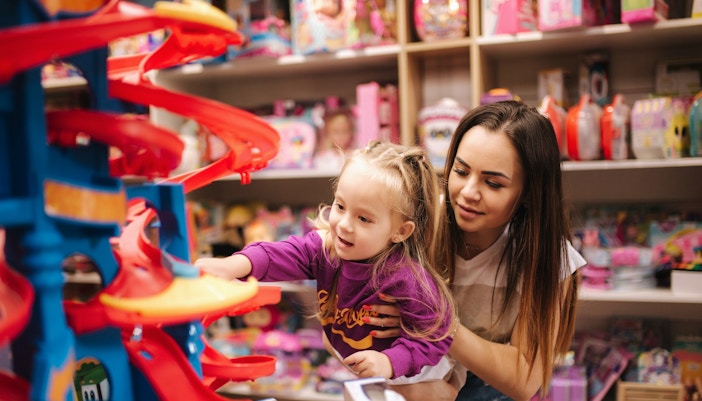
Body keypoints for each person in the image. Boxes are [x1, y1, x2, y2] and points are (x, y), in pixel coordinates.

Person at [366, 101, 586, 401]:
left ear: (528, 193)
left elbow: (523, 380)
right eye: (461, 171)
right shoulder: (416, 222)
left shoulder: (550, 257)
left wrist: (438, 324)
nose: (468, 193)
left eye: (493, 183)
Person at [195, 140, 458, 385]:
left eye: (364, 219)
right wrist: (232, 265)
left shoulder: (405, 276)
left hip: (411, 379)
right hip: (361, 372)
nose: (344, 225)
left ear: (400, 231)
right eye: (341, 206)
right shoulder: (326, 248)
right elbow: (279, 254)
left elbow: (436, 337)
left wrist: (389, 361)